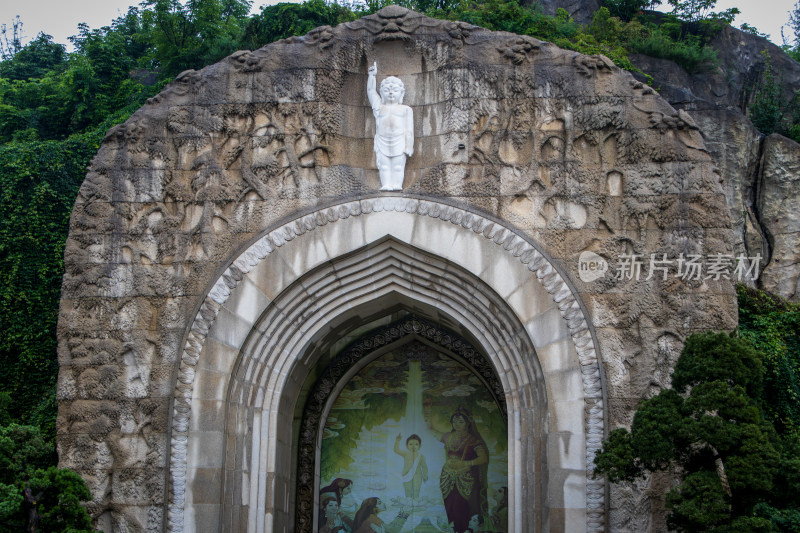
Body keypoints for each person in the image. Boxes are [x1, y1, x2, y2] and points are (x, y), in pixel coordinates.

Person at [428, 406, 489, 533]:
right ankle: (455, 529)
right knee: (450, 506)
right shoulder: (448, 436)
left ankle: (464, 529)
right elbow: (433, 433)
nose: (457, 424)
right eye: (454, 421)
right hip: (447, 478)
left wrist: (465, 463)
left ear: (468, 423)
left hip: (465, 478)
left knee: (461, 506)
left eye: (461, 421)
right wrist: (427, 422)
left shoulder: (473, 440)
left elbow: (483, 458)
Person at [367, 62, 414, 191]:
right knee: (384, 165)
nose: (391, 93)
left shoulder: (406, 110)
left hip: (400, 140)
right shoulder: (379, 108)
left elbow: (409, 130)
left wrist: (409, 145)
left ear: (401, 93)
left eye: (395, 90)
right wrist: (372, 76)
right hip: (382, 140)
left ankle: (397, 185)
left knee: (398, 166)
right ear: (382, 93)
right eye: (387, 90)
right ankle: (386, 184)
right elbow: (371, 92)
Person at [393, 433, 428, 498]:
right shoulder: (406, 454)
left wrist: (425, 475)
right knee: (408, 491)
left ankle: (416, 503)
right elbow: (396, 450)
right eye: (411, 444)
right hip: (406, 475)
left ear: (420, 446)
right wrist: (397, 441)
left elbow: (424, 467)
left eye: (416, 444)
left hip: (417, 475)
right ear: (407, 446)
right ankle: (408, 504)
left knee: (416, 491)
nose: (413, 446)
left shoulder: (421, 456)